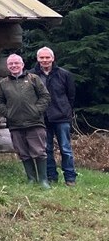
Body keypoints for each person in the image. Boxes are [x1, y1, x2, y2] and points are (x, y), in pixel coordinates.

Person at [0, 54, 51, 189]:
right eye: (11, 64)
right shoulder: (3, 83)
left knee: (39, 151)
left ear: (22, 64)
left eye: (16, 63)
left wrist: (36, 110)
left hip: (34, 122)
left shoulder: (33, 79)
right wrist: (8, 114)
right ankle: (31, 179)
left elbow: (45, 96)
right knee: (23, 152)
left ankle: (43, 180)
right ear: (8, 66)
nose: (14, 66)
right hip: (15, 124)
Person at [32, 47, 77, 187]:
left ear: (53, 58)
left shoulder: (64, 74)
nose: (44, 60)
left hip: (61, 117)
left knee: (65, 148)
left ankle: (70, 178)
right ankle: (51, 177)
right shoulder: (31, 75)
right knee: (46, 149)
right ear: (37, 59)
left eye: (47, 58)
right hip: (42, 118)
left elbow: (71, 96)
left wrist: (66, 111)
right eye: (42, 58)